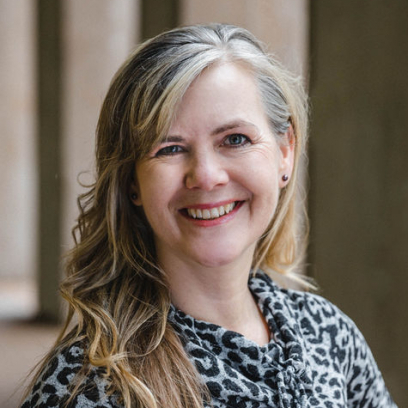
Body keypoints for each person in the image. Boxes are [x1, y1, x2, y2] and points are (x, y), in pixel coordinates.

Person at [21, 24, 396, 408]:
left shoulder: (329, 333)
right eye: (169, 148)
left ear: (285, 151)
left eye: (235, 139)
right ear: (131, 180)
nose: (205, 175)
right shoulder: (88, 385)